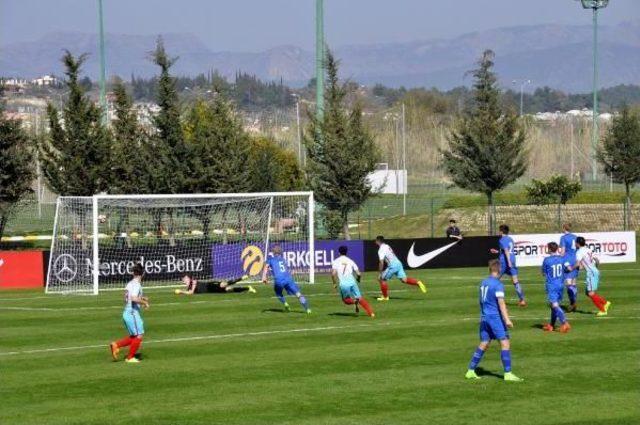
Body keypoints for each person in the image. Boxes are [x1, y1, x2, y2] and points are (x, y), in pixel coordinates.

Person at [465, 260, 522, 382]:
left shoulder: (483, 283)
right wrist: (507, 319)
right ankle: (508, 373)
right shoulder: (497, 284)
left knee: (484, 342)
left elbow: (481, 301)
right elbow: (501, 303)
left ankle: (470, 370)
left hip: (484, 317)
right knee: (505, 342)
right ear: (499, 270)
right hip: (494, 318)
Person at [109, 263, 149, 363]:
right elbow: (134, 298)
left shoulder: (130, 283)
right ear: (142, 274)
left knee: (134, 336)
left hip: (127, 312)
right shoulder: (137, 284)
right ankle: (130, 357)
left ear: (133, 273)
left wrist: (142, 298)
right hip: (132, 313)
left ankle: (116, 345)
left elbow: (126, 298)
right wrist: (145, 303)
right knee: (139, 335)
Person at [568, 236, 612, 317]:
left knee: (591, 293)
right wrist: (595, 269)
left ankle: (603, 309)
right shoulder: (589, 249)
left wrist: (571, 268)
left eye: (575, 243)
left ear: (577, 243)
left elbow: (578, 264)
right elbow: (597, 260)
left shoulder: (579, 252)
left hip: (591, 273)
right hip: (594, 271)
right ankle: (605, 303)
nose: (575, 244)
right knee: (587, 292)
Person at [262, 244, 311, 314]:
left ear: (273, 253)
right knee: (298, 294)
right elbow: (285, 269)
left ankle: (286, 304)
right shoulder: (283, 259)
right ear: (280, 253)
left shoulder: (270, 260)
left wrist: (264, 277)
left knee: (278, 293)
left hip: (279, 280)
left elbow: (265, 267)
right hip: (288, 278)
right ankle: (307, 309)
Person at [374, 235, 426, 301]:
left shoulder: (381, 250)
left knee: (382, 279)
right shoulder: (387, 246)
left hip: (393, 265)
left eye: (375, 240)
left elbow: (381, 262)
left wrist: (380, 273)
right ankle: (418, 282)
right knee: (404, 280)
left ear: (378, 241)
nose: (375, 241)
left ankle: (385, 297)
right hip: (398, 263)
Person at [331, 245, 375, 318]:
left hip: (344, 284)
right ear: (346, 252)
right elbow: (358, 273)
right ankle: (371, 313)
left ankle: (355, 301)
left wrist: (334, 283)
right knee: (360, 298)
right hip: (352, 282)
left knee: (346, 300)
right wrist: (358, 279)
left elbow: (333, 274)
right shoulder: (350, 261)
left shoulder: (336, 261)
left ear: (339, 252)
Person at [490, 224, 526, 307]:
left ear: (501, 231)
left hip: (505, 262)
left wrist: (508, 262)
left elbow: (506, 251)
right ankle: (522, 300)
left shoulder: (502, 239)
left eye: (499, 230)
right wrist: (497, 252)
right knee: (515, 281)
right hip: (512, 260)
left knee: (495, 279)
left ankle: (492, 299)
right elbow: (507, 250)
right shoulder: (510, 239)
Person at [541, 242, 571, 333]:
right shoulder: (562, 258)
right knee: (553, 306)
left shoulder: (546, 260)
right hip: (560, 284)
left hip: (552, 285)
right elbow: (569, 268)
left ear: (549, 249)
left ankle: (565, 322)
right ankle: (552, 325)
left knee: (554, 305)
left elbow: (543, 273)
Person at [559, 223, 579, 312]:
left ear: (564, 228)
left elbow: (563, 252)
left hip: (568, 262)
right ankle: (574, 303)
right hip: (575, 260)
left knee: (568, 284)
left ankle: (573, 303)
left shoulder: (563, 238)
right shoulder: (575, 237)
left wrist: (558, 257)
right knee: (574, 283)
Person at [175, 274, 256, 295]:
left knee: (225, 284)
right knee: (229, 290)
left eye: (186, 279)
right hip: (211, 291)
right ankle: (248, 288)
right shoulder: (188, 287)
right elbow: (189, 292)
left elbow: (191, 292)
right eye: (184, 280)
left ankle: (243, 277)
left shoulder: (193, 281)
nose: (185, 280)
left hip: (210, 285)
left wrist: (181, 291)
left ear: (189, 278)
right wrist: (182, 291)